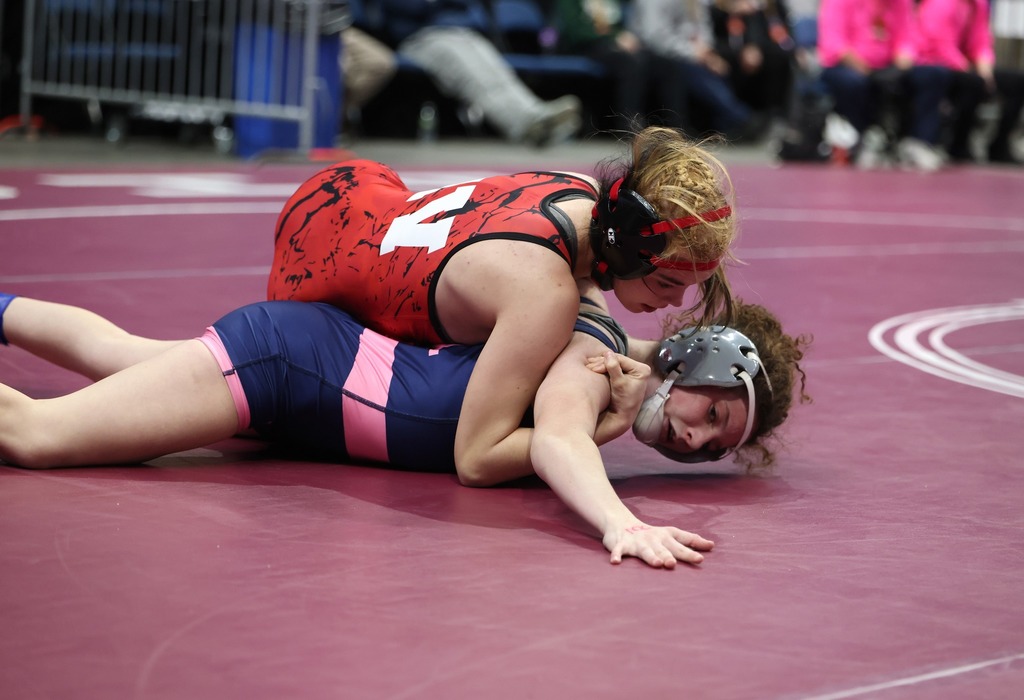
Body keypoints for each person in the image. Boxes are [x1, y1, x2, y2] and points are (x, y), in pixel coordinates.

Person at [0, 290, 810, 568]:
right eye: (711, 413)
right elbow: (554, 441)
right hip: (288, 371)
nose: (698, 440)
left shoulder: (606, 378)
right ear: (685, 361)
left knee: (120, 356)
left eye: (717, 442)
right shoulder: (591, 353)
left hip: (304, 386)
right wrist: (622, 524)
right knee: (37, 436)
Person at [266, 125, 737, 487]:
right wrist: (607, 427)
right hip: (308, 283)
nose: (676, 300)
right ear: (627, 249)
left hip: (345, 191)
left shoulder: (579, 192)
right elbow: (475, 459)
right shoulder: (546, 293)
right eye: (667, 281)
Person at [375, 0, 582, 145]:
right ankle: (526, 124)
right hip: (415, 39)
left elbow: (464, 7)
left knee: (493, 67)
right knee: (474, 73)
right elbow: (408, 8)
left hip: (456, 33)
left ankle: (534, 112)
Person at [816, 0, 950, 171]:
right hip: (846, 65)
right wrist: (866, 69)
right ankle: (859, 141)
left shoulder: (901, 3)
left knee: (933, 75)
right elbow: (834, 43)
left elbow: (908, 38)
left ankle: (918, 142)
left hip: (888, 65)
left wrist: (903, 58)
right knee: (855, 83)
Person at [628, 0, 760, 140]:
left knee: (724, 64)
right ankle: (740, 118)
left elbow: (703, 27)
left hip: (689, 51)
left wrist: (706, 52)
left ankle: (726, 126)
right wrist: (692, 53)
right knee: (688, 69)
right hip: (653, 54)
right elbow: (655, 38)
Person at [914, 0, 1024, 165]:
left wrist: (985, 67)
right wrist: (968, 69)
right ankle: (958, 144)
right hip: (936, 64)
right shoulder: (940, 3)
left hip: (967, 65)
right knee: (973, 83)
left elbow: (981, 42)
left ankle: (999, 146)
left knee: (1017, 82)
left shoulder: (979, 5)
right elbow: (939, 45)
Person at [551, 0, 656, 132]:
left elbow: (617, 24)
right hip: (585, 47)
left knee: (652, 60)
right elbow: (575, 31)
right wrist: (614, 37)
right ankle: (628, 124)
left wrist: (624, 37)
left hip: (610, 46)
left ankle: (669, 125)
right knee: (629, 63)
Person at [710, 0, 797, 130]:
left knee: (778, 60)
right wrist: (730, 11)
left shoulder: (764, 9)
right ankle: (739, 119)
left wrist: (754, 48)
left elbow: (782, 39)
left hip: (758, 55)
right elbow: (713, 40)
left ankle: (773, 116)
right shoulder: (717, 10)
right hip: (727, 55)